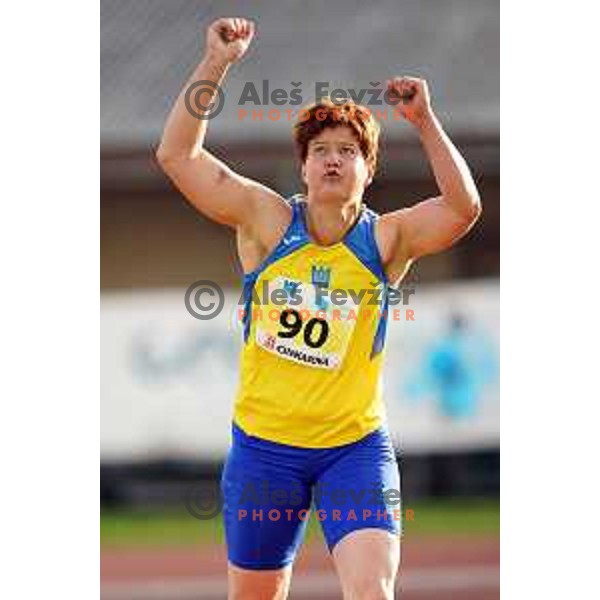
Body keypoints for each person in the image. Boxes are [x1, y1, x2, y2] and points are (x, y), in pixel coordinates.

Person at [157, 16, 481, 600]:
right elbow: (178, 156)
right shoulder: (266, 220)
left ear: (368, 169)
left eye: (349, 151)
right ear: (303, 166)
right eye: (322, 151)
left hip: (353, 450)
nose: (334, 160)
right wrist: (216, 64)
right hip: (264, 450)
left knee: (372, 592)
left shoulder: (386, 241)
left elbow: (463, 209)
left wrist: (424, 122)